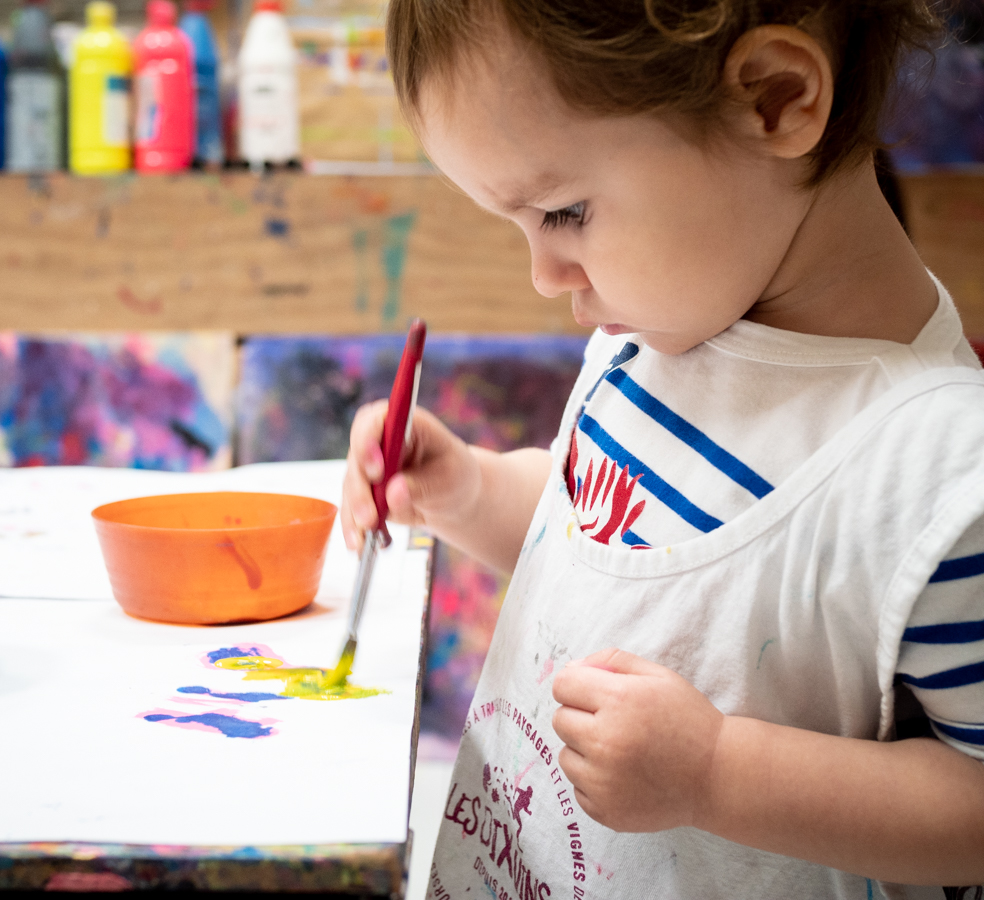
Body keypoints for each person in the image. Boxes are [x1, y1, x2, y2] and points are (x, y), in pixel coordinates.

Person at [340, 0, 984, 896]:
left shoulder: (943, 476)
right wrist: (470, 491)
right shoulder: (662, 335)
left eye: (564, 212)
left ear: (774, 99)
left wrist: (716, 771)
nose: (542, 275)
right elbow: (626, 548)